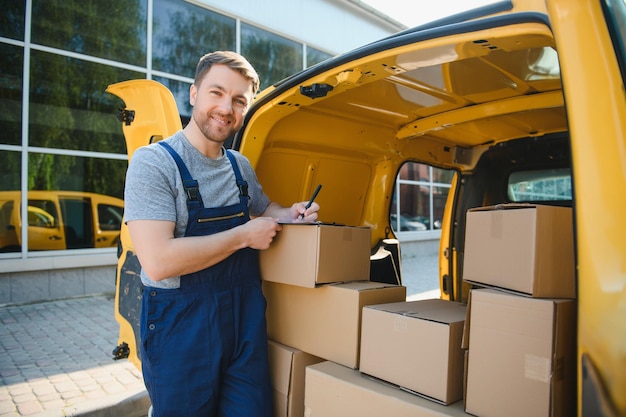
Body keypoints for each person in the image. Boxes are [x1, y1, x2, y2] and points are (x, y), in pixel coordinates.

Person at [123, 51, 319, 417]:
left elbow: (265, 210)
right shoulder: (153, 164)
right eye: (217, 93)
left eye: (239, 100)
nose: (226, 108)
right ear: (194, 93)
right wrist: (244, 236)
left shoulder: (238, 165)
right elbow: (159, 260)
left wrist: (290, 214)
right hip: (181, 331)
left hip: (243, 325)